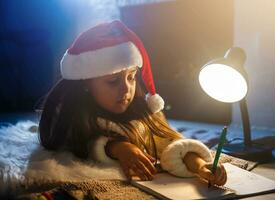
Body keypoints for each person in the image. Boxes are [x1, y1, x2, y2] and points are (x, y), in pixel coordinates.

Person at [39, 20, 227, 186]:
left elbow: (171, 142)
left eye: (131, 77)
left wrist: (201, 167)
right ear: (86, 83)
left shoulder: (143, 113)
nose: (126, 89)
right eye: (113, 81)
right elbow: (77, 142)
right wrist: (117, 147)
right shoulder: (72, 114)